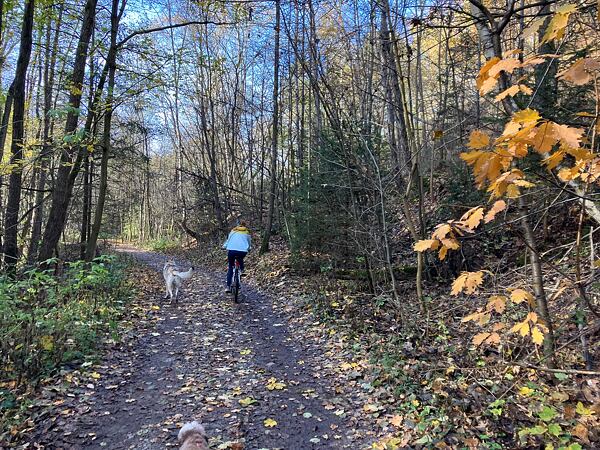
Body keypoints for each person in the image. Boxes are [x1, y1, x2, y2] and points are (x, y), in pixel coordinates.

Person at [222, 220, 251, 292]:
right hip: (242, 251)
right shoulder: (246, 233)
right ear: (245, 226)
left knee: (231, 267)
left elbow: (228, 241)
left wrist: (224, 246)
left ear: (237, 226)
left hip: (231, 251)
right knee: (240, 257)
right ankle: (242, 269)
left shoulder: (232, 232)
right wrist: (249, 248)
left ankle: (228, 287)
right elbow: (249, 244)